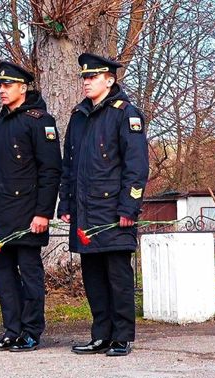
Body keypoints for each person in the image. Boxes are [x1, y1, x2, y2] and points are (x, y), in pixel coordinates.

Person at [58, 53, 149, 357]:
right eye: (84, 77)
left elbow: (136, 167)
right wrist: (66, 201)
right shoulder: (79, 116)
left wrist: (128, 208)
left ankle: (121, 336)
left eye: (93, 77)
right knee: (93, 277)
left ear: (109, 80)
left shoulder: (126, 114)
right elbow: (68, 165)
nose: (87, 82)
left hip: (113, 212)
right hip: (85, 211)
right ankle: (101, 334)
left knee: (118, 277)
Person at [0, 62, 62, 352]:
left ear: (23, 87)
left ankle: (31, 331)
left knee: (29, 275)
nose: (2, 90)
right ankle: (11, 330)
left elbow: (51, 171)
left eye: (8, 85)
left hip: (28, 213)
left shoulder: (40, 121)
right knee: (3, 276)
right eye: (0, 85)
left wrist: (43, 212)